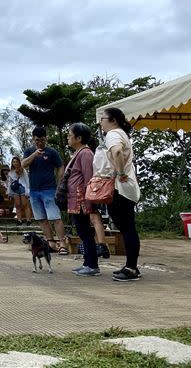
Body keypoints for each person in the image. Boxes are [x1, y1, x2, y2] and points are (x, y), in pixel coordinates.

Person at [100, 107, 142, 282]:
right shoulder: (122, 133)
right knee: (128, 228)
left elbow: (116, 151)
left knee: (127, 228)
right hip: (128, 187)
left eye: (103, 119)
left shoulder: (113, 134)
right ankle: (131, 266)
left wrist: (119, 172)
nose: (101, 122)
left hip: (122, 187)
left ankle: (131, 268)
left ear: (113, 120)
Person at [21, 126, 68, 254]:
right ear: (33, 139)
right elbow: (23, 164)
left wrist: (59, 184)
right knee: (41, 218)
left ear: (46, 139)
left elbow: (60, 166)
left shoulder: (52, 152)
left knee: (55, 217)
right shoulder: (29, 151)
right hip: (34, 190)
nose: (39, 142)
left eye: (42, 140)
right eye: (37, 140)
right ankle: (50, 243)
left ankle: (63, 243)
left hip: (49, 189)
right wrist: (34, 154)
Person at [65, 123, 100, 276]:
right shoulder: (78, 153)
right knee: (81, 231)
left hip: (81, 199)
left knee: (85, 231)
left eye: (70, 135)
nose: (68, 137)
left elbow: (88, 178)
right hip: (75, 199)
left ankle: (92, 265)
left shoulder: (85, 153)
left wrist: (88, 201)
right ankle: (87, 262)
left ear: (79, 138)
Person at [8, 156, 33, 226]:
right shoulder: (11, 172)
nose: (15, 163)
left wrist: (28, 190)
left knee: (25, 204)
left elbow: (27, 180)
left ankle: (28, 220)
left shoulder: (23, 170)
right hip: (15, 189)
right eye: (13, 162)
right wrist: (9, 193)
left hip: (22, 187)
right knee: (17, 205)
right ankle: (19, 220)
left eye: (16, 161)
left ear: (19, 162)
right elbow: (10, 183)